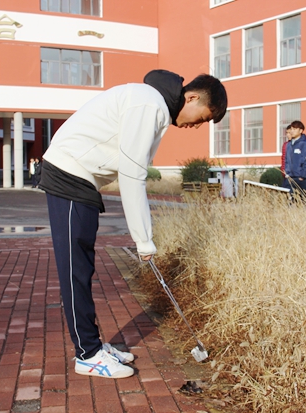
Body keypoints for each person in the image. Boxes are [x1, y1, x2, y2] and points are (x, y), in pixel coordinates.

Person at [39, 69, 227, 379]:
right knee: (75, 270)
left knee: (81, 267)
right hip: (69, 175)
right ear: (191, 97)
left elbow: (131, 167)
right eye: (203, 117)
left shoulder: (152, 106)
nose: (197, 125)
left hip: (79, 179)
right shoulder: (149, 104)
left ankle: (94, 345)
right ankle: (87, 355)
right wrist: (144, 240)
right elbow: (132, 174)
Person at [281, 121, 306, 202]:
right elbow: (286, 160)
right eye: (291, 129)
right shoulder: (288, 145)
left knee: (303, 202)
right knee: (289, 202)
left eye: (295, 129)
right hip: (290, 178)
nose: (292, 131)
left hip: (301, 179)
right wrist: (286, 173)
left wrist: (302, 176)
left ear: (301, 131)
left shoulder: (305, 144)